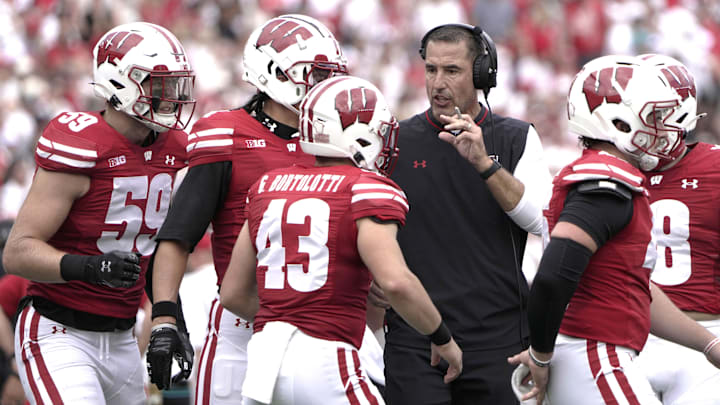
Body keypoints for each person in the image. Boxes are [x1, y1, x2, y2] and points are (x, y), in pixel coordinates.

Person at [219, 75, 463, 405]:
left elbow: (233, 293)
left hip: (265, 362)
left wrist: (289, 319)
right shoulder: (365, 188)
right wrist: (441, 337)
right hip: (327, 358)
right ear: (359, 136)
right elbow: (395, 281)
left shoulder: (268, 185)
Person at [146, 14, 348, 404]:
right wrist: (164, 319)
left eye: (329, 75)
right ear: (273, 72)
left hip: (321, 325)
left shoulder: (340, 138)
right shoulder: (228, 134)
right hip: (242, 325)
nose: (325, 85)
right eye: (314, 73)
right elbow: (178, 235)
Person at [507, 55, 720, 405]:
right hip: (594, 348)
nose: (666, 130)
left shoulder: (600, 173)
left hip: (604, 346)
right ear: (616, 121)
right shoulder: (606, 182)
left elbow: (634, 285)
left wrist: (707, 343)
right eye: (652, 118)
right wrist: (540, 352)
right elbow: (552, 276)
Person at [2, 21, 195, 404]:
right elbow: (18, 252)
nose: (171, 97)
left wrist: (168, 321)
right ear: (119, 83)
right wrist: (90, 267)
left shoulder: (173, 147)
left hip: (123, 338)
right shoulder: (83, 145)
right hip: (59, 331)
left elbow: (155, 249)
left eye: (175, 85)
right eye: (160, 85)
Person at [384, 23, 552, 404]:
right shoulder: (394, 141)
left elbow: (540, 220)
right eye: (431, 70)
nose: (438, 82)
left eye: (452, 70)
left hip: (499, 338)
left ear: (481, 74)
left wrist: (484, 164)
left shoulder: (516, 137)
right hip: (418, 337)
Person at [634, 54, 720, 405]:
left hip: (705, 339)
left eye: (652, 113)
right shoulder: (602, 168)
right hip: (625, 339)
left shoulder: (715, 167)